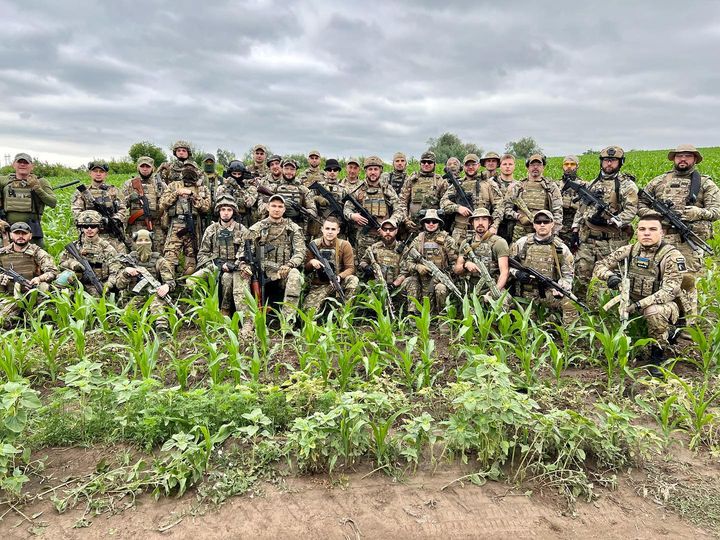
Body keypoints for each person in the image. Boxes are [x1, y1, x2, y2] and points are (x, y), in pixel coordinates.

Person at [594, 214, 686, 374]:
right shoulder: (629, 250)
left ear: (662, 232)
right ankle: (618, 343)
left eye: (652, 229)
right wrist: (610, 276)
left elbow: (669, 291)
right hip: (632, 300)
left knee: (653, 312)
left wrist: (638, 305)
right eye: (642, 229)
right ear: (637, 232)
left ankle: (658, 355)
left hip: (663, 305)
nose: (647, 233)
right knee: (600, 295)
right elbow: (600, 265)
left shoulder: (672, 256)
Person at [637, 144, 720, 321]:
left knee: (686, 281)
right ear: (674, 159)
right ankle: (661, 319)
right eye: (679, 156)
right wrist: (654, 215)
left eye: (687, 156)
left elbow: (716, 211)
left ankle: (688, 323)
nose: (683, 159)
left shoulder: (705, 183)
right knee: (657, 277)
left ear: (695, 159)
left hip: (688, 242)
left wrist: (699, 213)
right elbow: (640, 203)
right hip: (661, 240)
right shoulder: (659, 181)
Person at [571, 146, 638, 300]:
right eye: (606, 160)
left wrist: (611, 220)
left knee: (611, 281)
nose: (609, 163)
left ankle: (609, 310)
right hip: (587, 241)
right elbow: (581, 209)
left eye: (613, 161)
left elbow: (631, 210)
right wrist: (575, 229)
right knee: (581, 279)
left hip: (611, 243)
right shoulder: (592, 184)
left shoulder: (626, 185)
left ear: (620, 163)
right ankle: (580, 308)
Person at [237, 194, 306, 327]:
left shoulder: (293, 228)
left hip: (282, 272)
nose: (276, 209)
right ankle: (247, 321)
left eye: (280, 206)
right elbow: (244, 251)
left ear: (284, 209)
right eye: (273, 206)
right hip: (260, 272)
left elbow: (300, 252)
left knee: (295, 275)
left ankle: (287, 322)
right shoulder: (256, 228)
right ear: (268, 207)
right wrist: (244, 265)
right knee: (242, 276)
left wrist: (290, 265)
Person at [509, 210, 577, 325]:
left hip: (549, 292)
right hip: (525, 293)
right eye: (538, 222)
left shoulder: (561, 248)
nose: (542, 225)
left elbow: (568, 275)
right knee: (528, 326)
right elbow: (506, 265)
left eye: (546, 222)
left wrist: (561, 287)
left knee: (571, 303)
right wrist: (517, 273)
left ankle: (570, 333)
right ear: (534, 225)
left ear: (552, 224)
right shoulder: (522, 243)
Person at [192, 196, 248, 316]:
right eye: (223, 209)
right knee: (191, 281)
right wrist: (214, 265)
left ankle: (225, 310)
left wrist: (234, 265)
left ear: (233, 212)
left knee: (227, 279)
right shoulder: (211, 229)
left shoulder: (241, 229)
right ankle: (201, 309)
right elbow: (202, 254)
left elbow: (245, 253)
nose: (226, 213)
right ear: (219, 211)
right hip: (214, 266)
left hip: (233, 268)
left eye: (229, 210)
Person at [114, 229, 176, 333]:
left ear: (151, 242)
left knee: (158, 311)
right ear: (135, 242)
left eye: (147, 240)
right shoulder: (128, 261)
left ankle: (162, 330)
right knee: (124, 321)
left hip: (154, 295)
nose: (143, 243)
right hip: (135, 296)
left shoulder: (159, 261)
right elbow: (119, 285)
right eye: (140, 240)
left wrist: (166, 287)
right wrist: (126, 273)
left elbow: (170, 282)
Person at [344, 156, 403, 262]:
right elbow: (347, 209)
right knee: (363, 264)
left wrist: (390, 223)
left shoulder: (387, 189)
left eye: (376, 169)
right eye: (370, 169)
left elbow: (399, 209)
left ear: (380, 171)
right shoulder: (359, 189)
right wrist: (353, 216)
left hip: (385, 236)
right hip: (364, 237)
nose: (373, 172)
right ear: (365, 171)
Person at [0, 222, 57, 328]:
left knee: (44, 288)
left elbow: (52, 271)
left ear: (30, 236)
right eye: (17, 233)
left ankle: (39, 317)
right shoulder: (2, 253)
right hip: (10, 295)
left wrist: (39, 278)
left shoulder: (37, 252)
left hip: (33, 293)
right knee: (3, 321)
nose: (20, 236)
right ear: (11, 235)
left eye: (24, 233)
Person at [402, 209, 459, 314]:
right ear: (424, 223)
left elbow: (455, 264)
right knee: (409, 281)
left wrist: (445, 275)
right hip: (422, 281)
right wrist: (418, 267)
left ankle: (442, 316)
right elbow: (408, 262)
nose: (431, 224)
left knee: (441, 288)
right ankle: (413, 315)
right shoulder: (418, 240)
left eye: (434, 221)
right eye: (428, 221)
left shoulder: (447, 240)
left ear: (439, 223)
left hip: (440, 280)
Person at [159, 163, 212, 275]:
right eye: (186, 168)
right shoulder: (173, 185)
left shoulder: (202, 188)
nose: (189, 170)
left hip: (193, 225)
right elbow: (163, 204)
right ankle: (169, 282)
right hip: (176, 225)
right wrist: (176, 193)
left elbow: (206, 207)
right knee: (169, 257)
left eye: (192, 168)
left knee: (191, 262)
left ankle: (186, 282)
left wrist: (193, 195)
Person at [441, 153, 504, 243]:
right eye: (468, 165)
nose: (470, 167)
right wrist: (458, 208)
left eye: (473, 164)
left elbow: (500, 206)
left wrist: (494, 226)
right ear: (463, 167)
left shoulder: (489, 184)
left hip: (483, 231)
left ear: (478, 165)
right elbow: (443, 202)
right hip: (460, 233)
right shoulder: (457, 184)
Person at [302, 216, 358, 313]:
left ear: (338, 231)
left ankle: (343, 312)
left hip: (338, 283)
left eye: (333, 229)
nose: (330, 232)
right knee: (308, 313)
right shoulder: (314, 244)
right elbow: (306, 269)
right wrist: (311, 262)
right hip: (319, 285)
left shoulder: (344, 245)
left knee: (353, 279)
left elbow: (350, 268)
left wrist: (339, 277)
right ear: (322, 229)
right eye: (327, 228)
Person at [57, 210, 121, 295]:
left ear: (99, 227)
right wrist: (72, 263)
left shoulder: (107, 248)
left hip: (98, 284)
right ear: (81, 228)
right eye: (86, 226)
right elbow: (61, 264)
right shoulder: (76, 246)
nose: (89, 229)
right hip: (77, 282)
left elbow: (115, 271)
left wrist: (108, 285)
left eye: (93, 226)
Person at [0, 152, 57, 247]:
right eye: (19, 162)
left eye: (26, 162)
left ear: (32, 166)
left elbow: (52, 202)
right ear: (13, 164)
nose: (22, 164)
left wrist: (37, 188)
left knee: (36, 254)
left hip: (32, 230)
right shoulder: (4, 181)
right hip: (8, 229)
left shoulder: (41, 182)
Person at [71, 160, 128, 253]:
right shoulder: (82, 192)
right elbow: (76, 212)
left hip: (111, 234)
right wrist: (93, 221)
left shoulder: (114, 191)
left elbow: (123, 209)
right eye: (95, 171)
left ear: (106, 174)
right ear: (90, 173)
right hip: (90, 235)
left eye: (101, 171)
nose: (98, 174)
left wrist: (114, 219)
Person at [504, 153, 563, 243]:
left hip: (543, 231)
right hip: (521, 231)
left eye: (538, 165)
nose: (535, 167)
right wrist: (518, 216)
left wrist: (554, 233)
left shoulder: (550, 187)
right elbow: (507, 209)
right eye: (532, 165)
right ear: (527, 167)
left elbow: (558, 212)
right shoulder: (518, 186)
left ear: (543, 167)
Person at [454, 207, 510, 301]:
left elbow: (504, 272)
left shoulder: (499, 243)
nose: (480, 223)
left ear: (489, 222)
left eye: (484, 219)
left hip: (491, 287)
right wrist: (465, 265)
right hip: (471, 288)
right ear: (472, 223)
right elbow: (457, 270)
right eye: (476, 219)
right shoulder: (466, 243)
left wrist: (493, 293)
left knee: (503, 301)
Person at [260, 158, 317, 235]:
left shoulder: (303, 190)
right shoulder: (272, 188)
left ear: (296, 171)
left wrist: (299, 213)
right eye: (286, 169)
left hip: (297, 231)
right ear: (281, 169)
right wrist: (279, 207)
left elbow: (313, 211)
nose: (289, 172)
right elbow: (260, 209)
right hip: (273, 231)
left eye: (292, 169)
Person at [121, 156, 167, 252]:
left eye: (148, 166)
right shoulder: (129, 184)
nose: (145, 169)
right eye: (142, 166)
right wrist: (130, 198)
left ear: (153, 168)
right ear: (138, 167)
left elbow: (167, 203)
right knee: (135, 252)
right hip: (136, 225)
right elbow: (120, 204)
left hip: (156, 225)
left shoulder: (160, 185)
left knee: (158, 252)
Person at [399, 151, 449, 234]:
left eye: (429, 162)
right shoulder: (412, 179)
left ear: (434, 164)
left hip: (432, 225)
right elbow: (402, 202)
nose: (426, 164)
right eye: (423, 162)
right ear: (420, 163)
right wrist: (406, 220)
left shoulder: (440, 181)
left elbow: (445, 204)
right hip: (413, 225)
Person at [308, 158, 347, 239]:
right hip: (321, 226)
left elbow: (348, 207)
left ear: (338, 172)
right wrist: (316, 198)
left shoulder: (344, 189)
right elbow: (307, 200)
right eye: (329, 170)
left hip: (338, 227)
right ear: (326, 171)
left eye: (335, 170)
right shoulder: (319, 186)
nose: (332, 172)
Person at [215, 160, 258, 228]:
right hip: (226, 220)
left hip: (244, 221)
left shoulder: (251, 188)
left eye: (239, 174)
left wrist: (237, 187)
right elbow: (218, 205)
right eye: (234, 174)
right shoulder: (222, 188)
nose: (237, 176)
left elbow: (249, 204)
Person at [557, 155, 584, 247]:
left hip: (576, 227)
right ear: (562, 166)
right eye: (566, 164)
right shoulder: (555, 185)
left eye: (572, 164)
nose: (569, 166)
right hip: (559, 226)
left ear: (577, 166)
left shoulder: (584, 186)